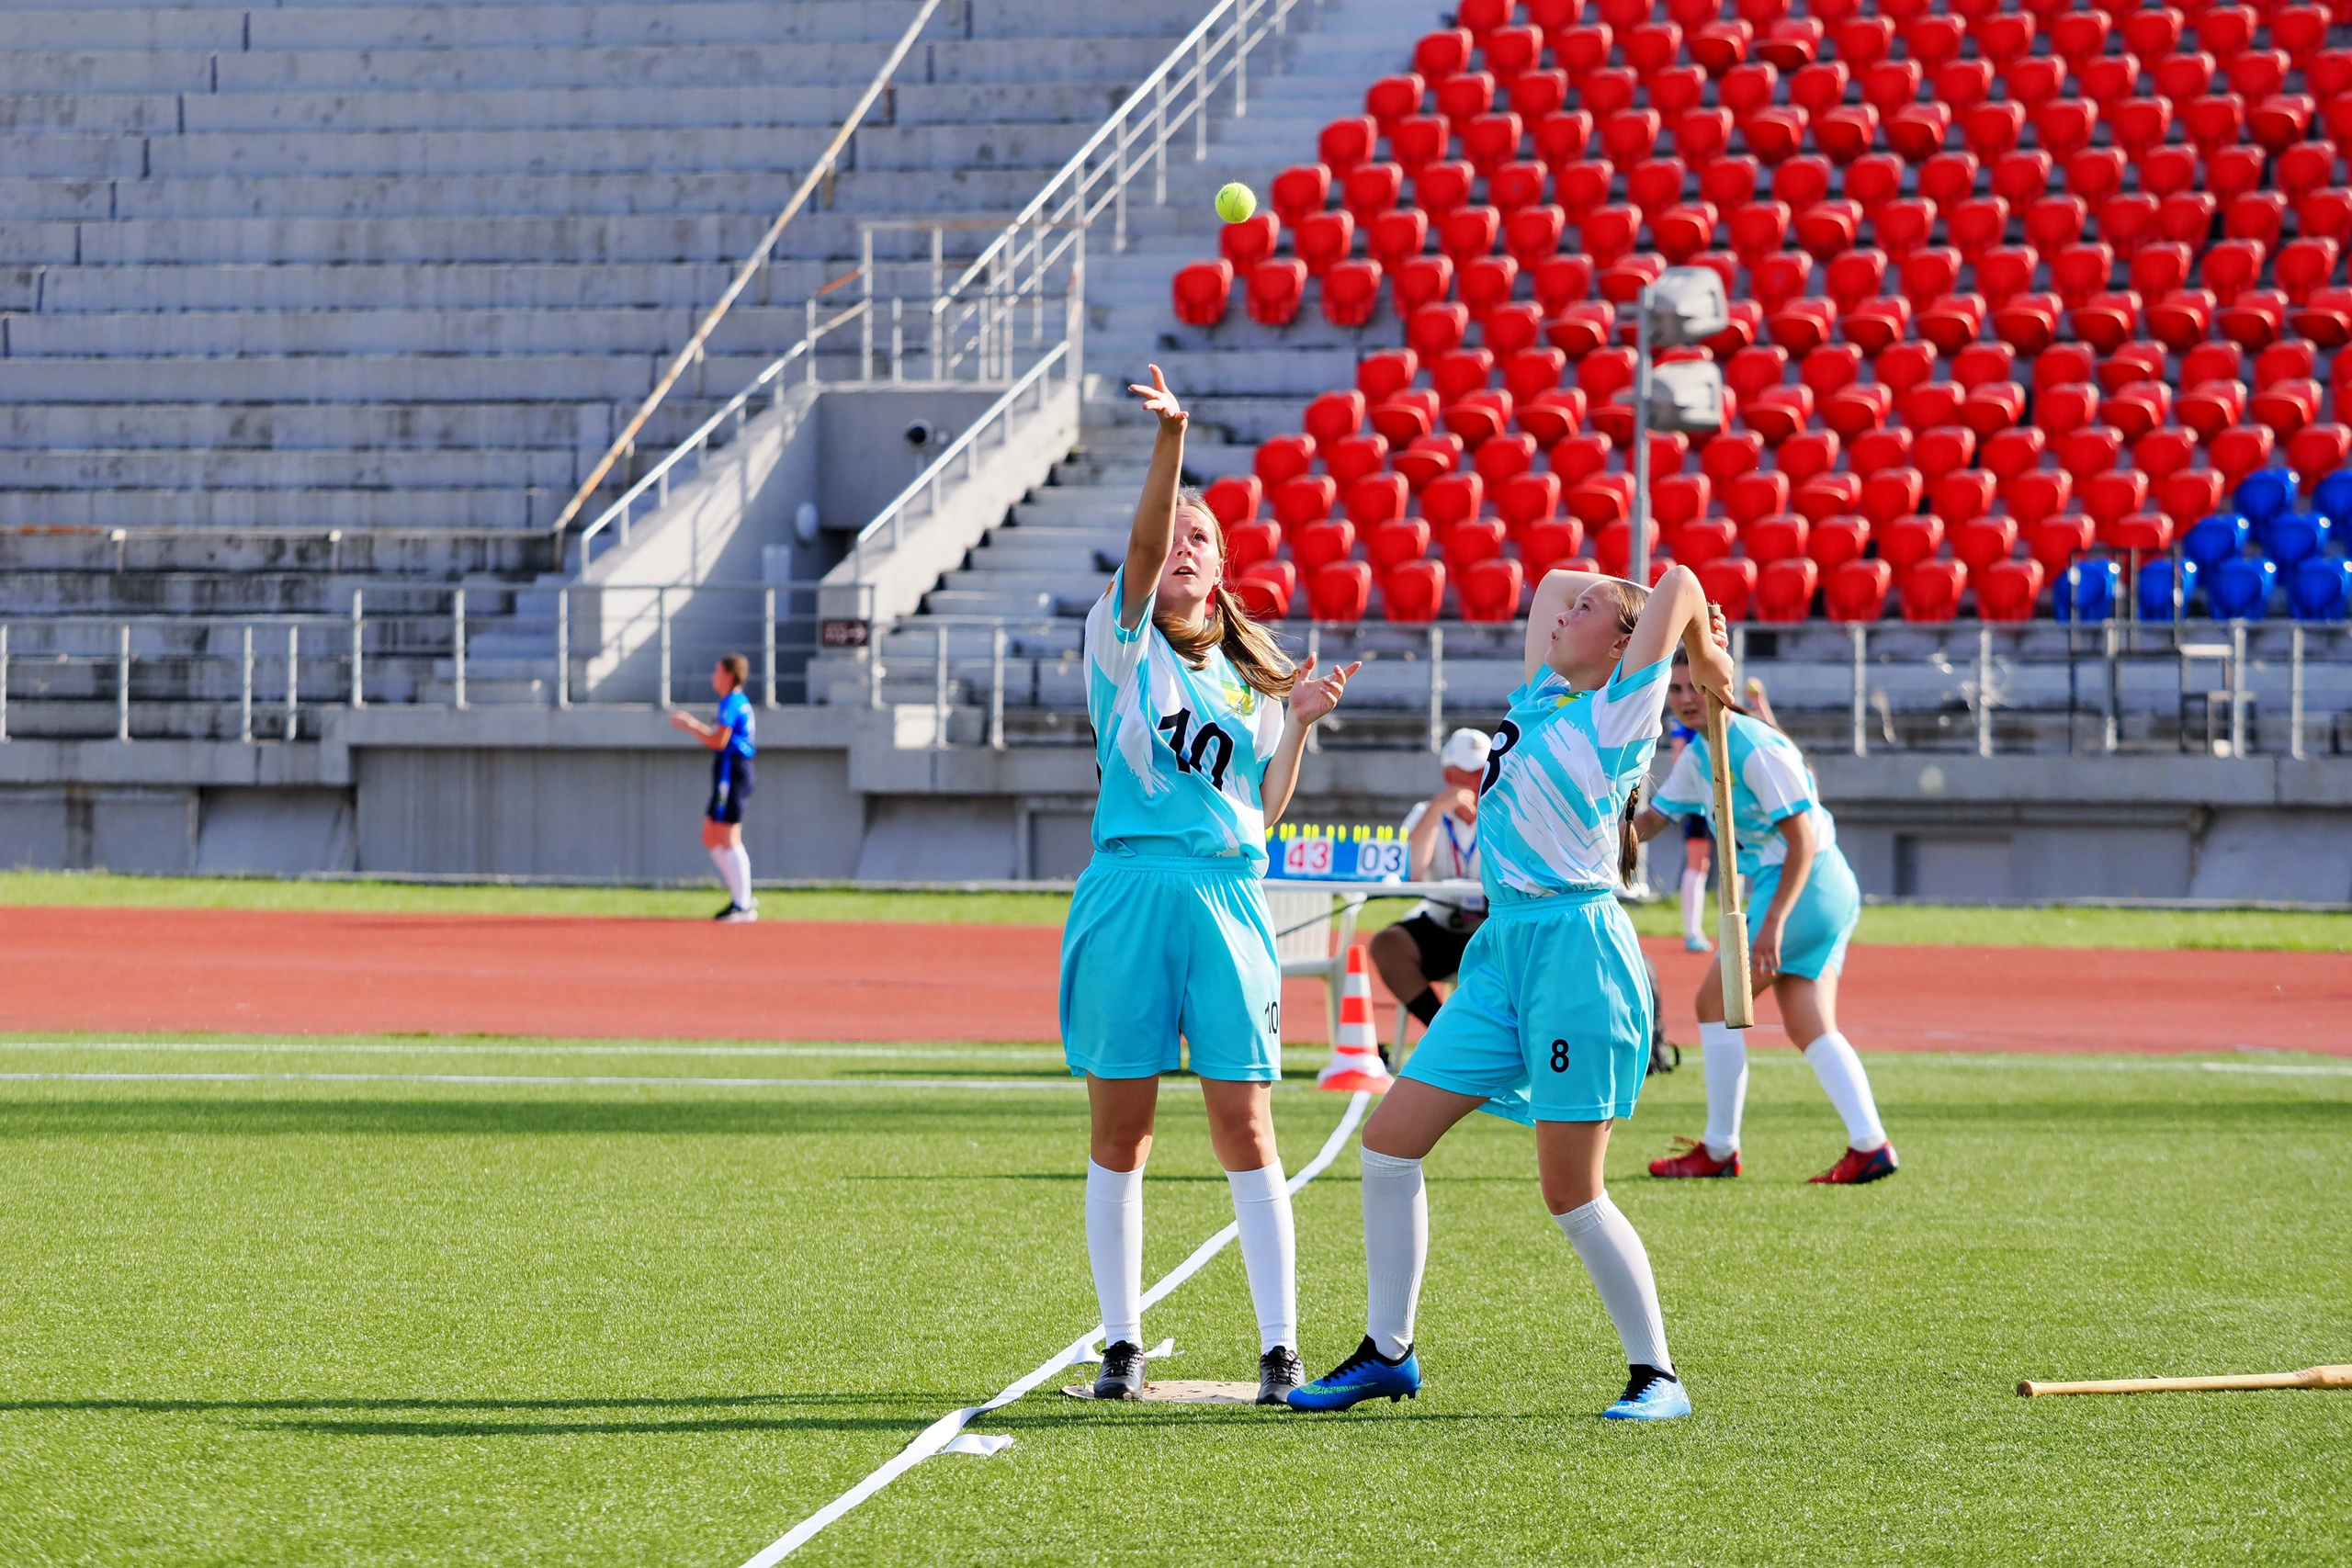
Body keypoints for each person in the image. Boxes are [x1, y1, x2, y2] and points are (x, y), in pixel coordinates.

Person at [1289, 562, 1734, 1422]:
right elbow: (1555, 581)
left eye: (1588, 612)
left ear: (1620, 643)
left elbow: (1678, 579)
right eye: (1569, 609)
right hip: (1501, 951)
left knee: (1571, 1189)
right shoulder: (1538, 693)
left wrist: (1699, 649)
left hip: (1577, 952)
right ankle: (1388, 1352)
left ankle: (1658, 1376)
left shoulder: (1622, 709)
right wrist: (1645, 618)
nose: (1565, 611)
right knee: (1387, 1144)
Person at [1063, 366, 1360, 1406]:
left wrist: (1303, 726)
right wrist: (1170, 446)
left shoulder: (1251, 685)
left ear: (1225, 571)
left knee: (1247, 1124)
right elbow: (1143, 546)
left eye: (1201, 539)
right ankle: (1118, 1345)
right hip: (1130, 889)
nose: (1180, 546)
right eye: (1172, 534)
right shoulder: (1124, 636)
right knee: (1123, 1129)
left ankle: (1280, 1350)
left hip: (1227, 897)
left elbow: (1262, 815)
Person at [1635, 659, 1898, 1185]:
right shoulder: (1700, 751)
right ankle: (1870, 1145)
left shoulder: (1755, 747)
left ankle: (1718, 1149)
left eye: (1697, 686)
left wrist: (1773, 920)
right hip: (1807, 887)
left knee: (1714, 1002)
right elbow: (1648, 825)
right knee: (1808, 1023)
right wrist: (1589, 830)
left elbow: (1801, 840)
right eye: (1677, 689)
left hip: (1805, 885)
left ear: (1722, 684)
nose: (1686, 698)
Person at [1367, 728, 1490, 1050]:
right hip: (1440, 923)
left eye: (1484, 772)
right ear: (1450, 775)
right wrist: (1437, 810)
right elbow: (1412, 871)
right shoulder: (1426, 813)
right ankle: (1445, 1035)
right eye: (1470, 773)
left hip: (1492, 927)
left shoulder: (1503, 812)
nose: (1478, 781)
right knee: (1387, 945)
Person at [669, 653, 759, 922]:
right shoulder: (735, 702)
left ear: (730, 676)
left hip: (732, 770)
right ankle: (740, 895)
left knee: (729, 835)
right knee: (710, 834)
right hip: (728, 770)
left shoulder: (732, 702)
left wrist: (690, 725)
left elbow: (719, 741)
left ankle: (742, 905)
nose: (713, 676)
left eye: (718, 671)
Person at [1664, 713, 1715, 953]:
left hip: (1715, 796)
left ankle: (1698, 931)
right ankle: (1692, 932)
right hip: (1700, 799)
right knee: (1697, 862)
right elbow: (1678, 754)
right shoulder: (1687, 717)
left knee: (1703, 863)